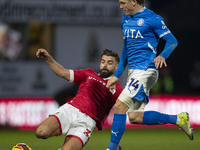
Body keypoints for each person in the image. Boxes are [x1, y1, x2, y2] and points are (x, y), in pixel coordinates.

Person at [106, 0, 193, 149]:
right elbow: (126, 50)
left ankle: (112, 148)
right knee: (134, 117)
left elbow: (172, 41)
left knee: (119, 106)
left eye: (123, 2)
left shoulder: (153, 18)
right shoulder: (125, 20)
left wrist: (163, 55)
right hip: (134, 72)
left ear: (134, 1)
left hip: (146, 70)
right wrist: (117, 74)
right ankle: (179, 119)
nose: (121, 7)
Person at [35, 48, 123, 150]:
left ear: (117, 67)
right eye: (103, 61)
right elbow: (62, 72)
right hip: (70, 110)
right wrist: (48, 58)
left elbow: (122, 114)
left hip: (87, 122)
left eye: (109, 62)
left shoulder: (118, 91)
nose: (105, 65)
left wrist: (115, 143)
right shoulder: (88, 73)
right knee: (41, 132)